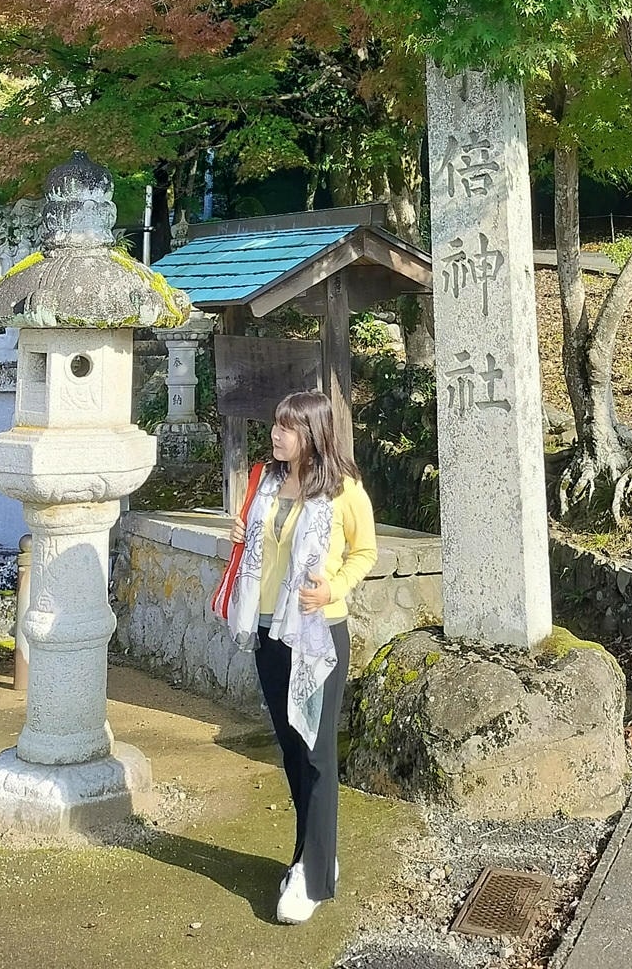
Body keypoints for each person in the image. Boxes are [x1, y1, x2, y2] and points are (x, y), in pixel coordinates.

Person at [226, 388, 378, 925]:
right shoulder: (266, 482)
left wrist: (332, 588)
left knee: (317, 753)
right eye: (275, 424)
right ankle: (312, 854)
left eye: (286, 427)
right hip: (270, 633)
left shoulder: (343, 489)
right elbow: (262, 551)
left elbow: (366, 552)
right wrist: (243, 535)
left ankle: (313, 876)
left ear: (312, 434)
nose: (275, 434)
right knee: (291, 750)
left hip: (317, 637)